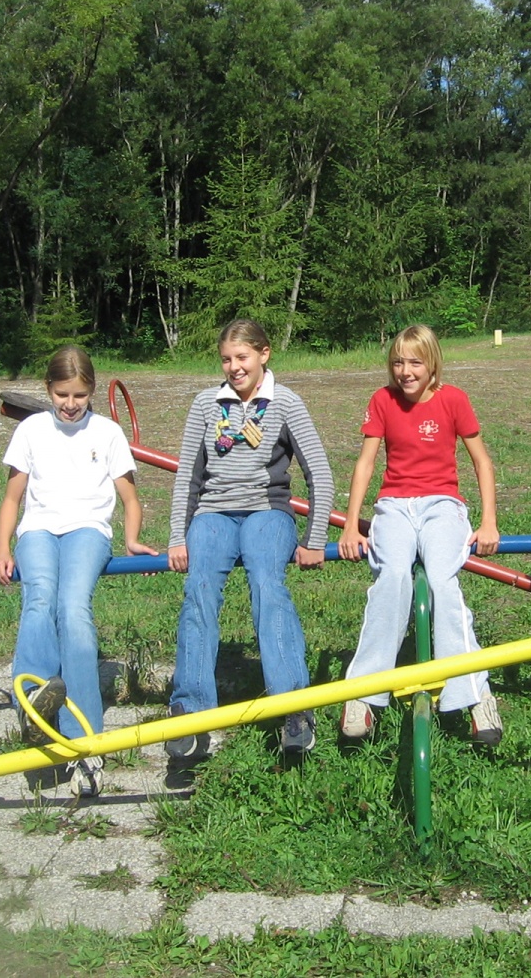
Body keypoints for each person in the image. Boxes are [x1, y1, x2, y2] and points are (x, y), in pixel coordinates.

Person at [0, 346, 155, 798]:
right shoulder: (31, 430)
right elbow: (12, 499)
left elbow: (131, 498)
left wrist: (131, 538)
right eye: (62, 394)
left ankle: (86, 739)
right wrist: (3, 548)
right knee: (39, 597)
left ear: (92, 392)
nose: (70, 403)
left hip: (87, 531)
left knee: (72, 608)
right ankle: (35, 708)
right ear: (48, 390)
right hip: (39, 530)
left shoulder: (108, 432)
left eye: (79, 395)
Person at [165, 319, 334, 759]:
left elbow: (319, 471)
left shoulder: (285, 403)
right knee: (199, 588)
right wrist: (177, 538)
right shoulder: (206, 404)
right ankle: (190, 708)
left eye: (242, 357)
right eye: (226, 359)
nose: (234, 367)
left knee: (266, 583)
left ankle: (293, 704)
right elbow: (188, 475)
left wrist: (314, 538)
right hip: (213, 513)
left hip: (267, 511)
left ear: (264, 354)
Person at [337, 325, 503, 745]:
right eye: (398, 362)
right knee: (392, 577)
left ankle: (474, 695)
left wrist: (488, 522)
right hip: (394, 506)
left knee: (444, 583)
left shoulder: (453, 400)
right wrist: (353, 523)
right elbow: (366, 465)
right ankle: (362, 694)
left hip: (442, 505)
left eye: (415, 363)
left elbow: (482, 462)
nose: (405, 372)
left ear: (432, 365)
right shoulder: (383, 400)